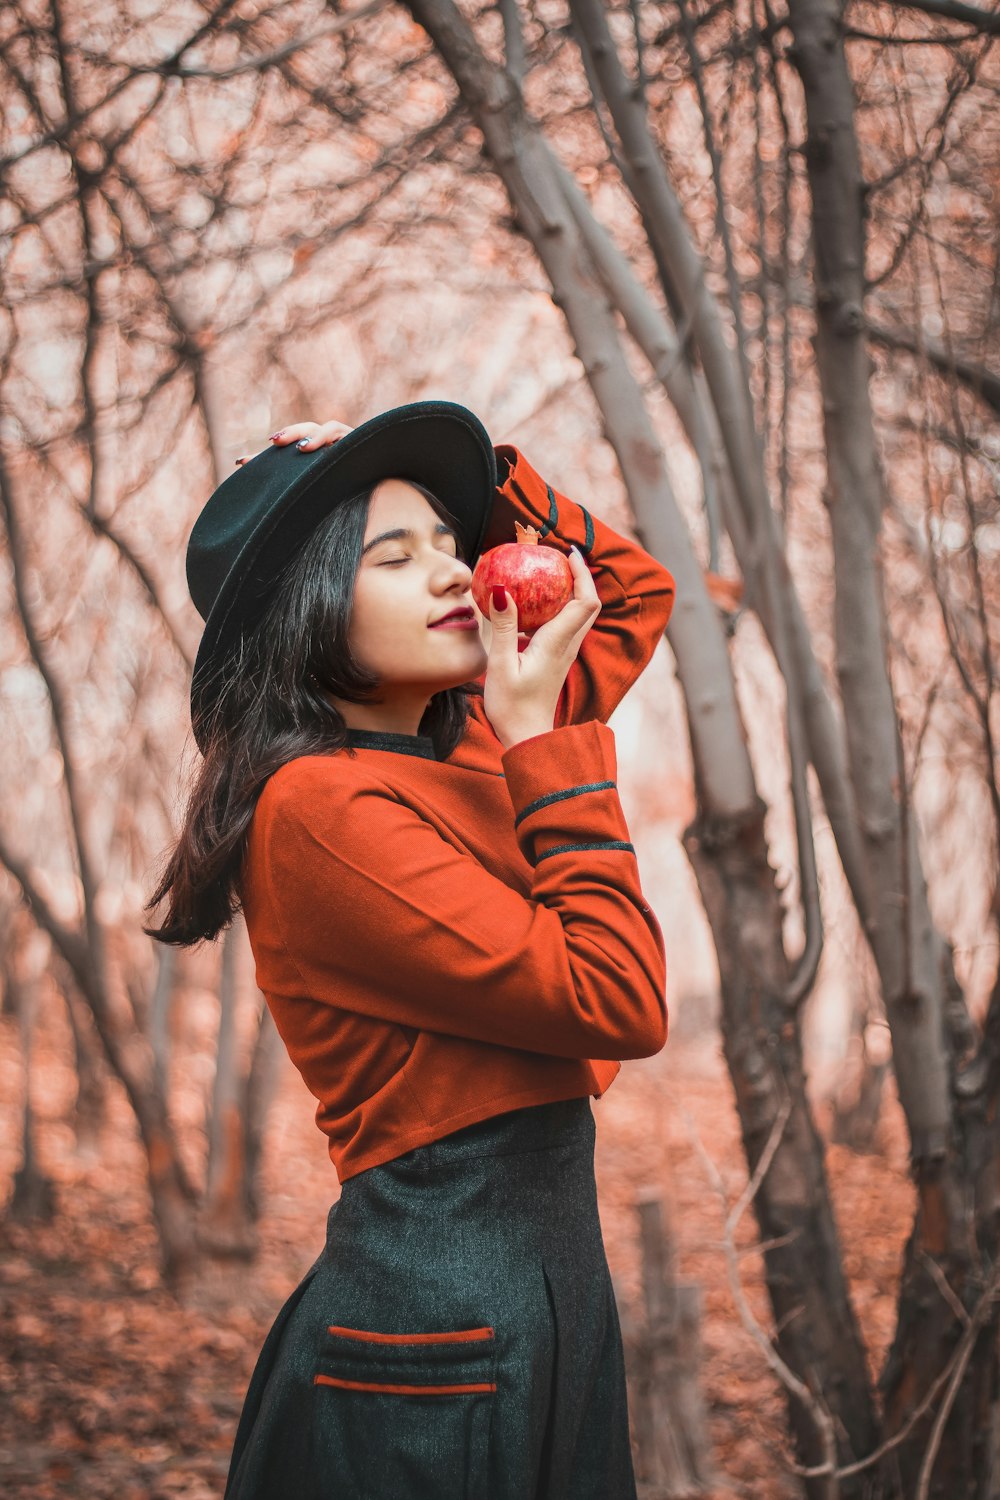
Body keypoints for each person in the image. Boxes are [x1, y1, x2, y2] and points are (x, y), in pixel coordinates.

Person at [144, 400, 676, 1500]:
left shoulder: (475, 734)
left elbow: (623, 594)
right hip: (435, 1331)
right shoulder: (320, 808)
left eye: (455, 542)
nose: (455, 571)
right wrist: (543, 744)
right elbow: (616, 997)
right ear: (308, 608)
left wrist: (487, 480)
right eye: (398, 556)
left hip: (541, 1297)